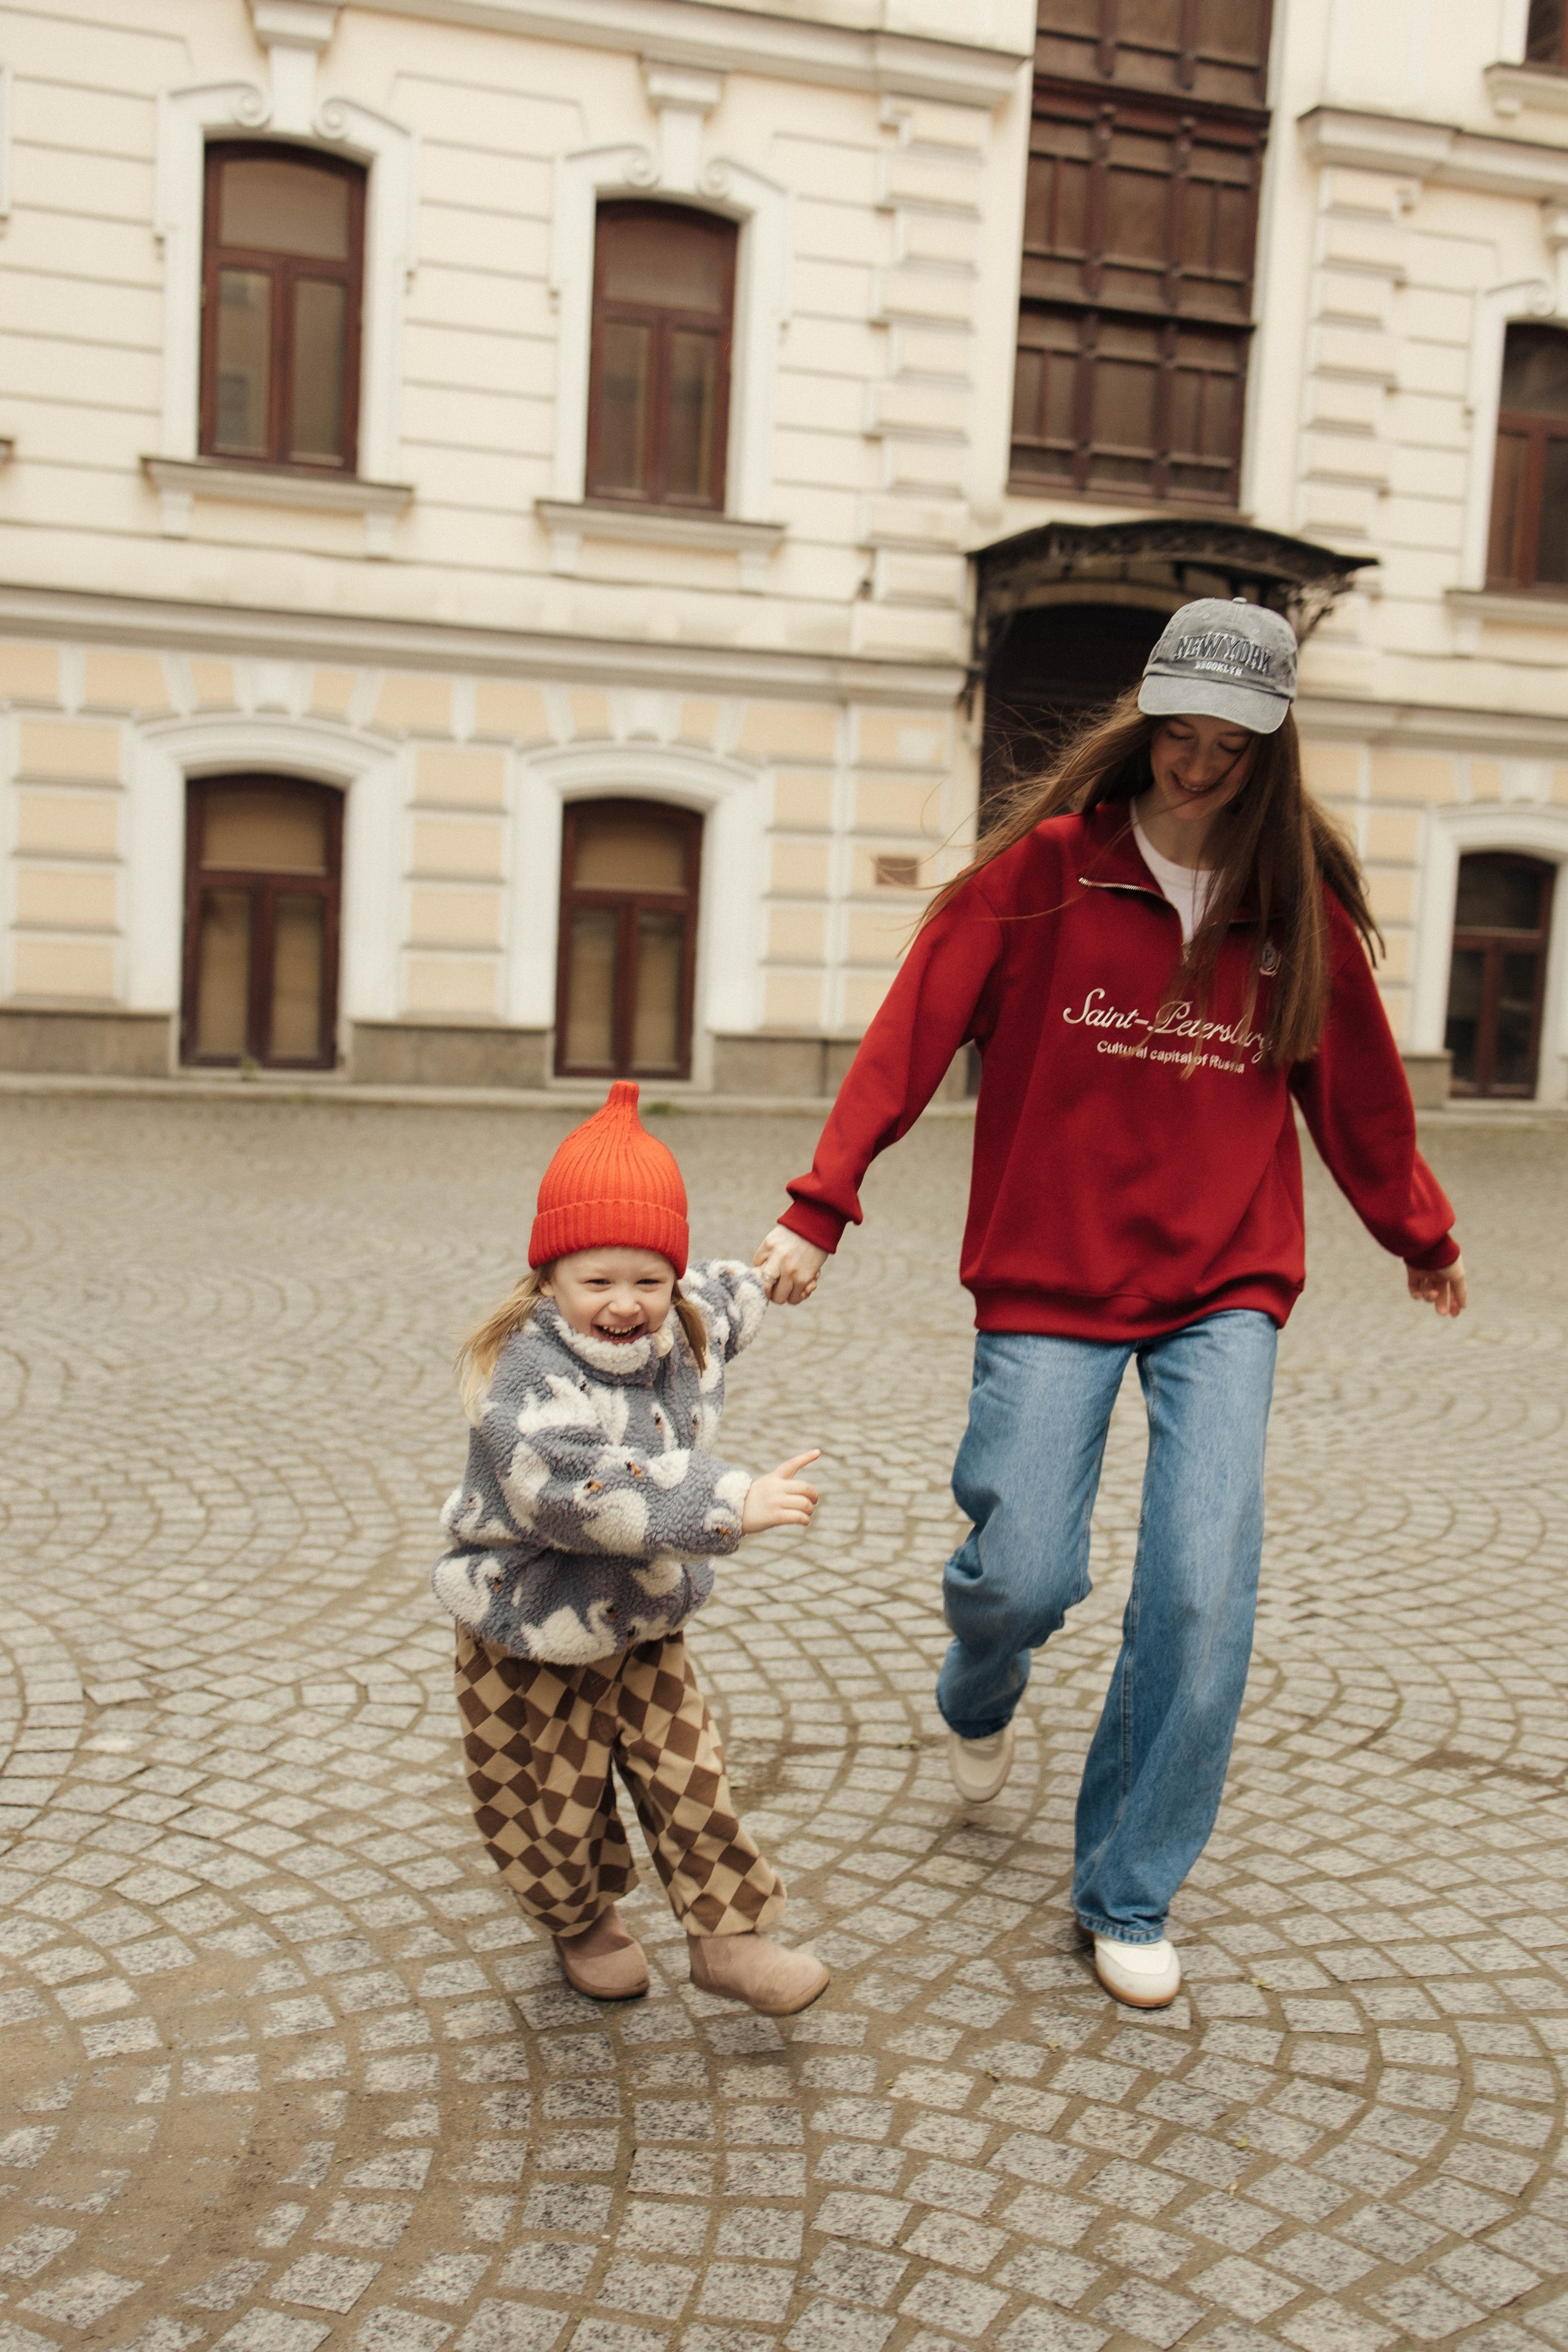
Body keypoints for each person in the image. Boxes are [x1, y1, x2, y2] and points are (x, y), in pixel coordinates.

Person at [753, 598, 1466, 2011]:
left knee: (1200, 1586)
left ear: (1271, 754)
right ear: (1143, 722)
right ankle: (981, 1677)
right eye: (1176, 738)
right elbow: (907, 1036)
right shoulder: (1041, 876)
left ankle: (1124, 1889)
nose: (1192, 770)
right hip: (1050, 1265)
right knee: (1019, 1570)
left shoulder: (1295, 917)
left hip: (1222, 1285)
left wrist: (1416, 1231)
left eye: (1227, 749)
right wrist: (815, 1205)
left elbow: (1358, 1094)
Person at [434, 1080, 829, 2018]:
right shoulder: (527, 1379)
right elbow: (583, 1492)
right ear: (548, 1279)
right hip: (529, 1633)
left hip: (645, 1620)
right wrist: (731, 1498)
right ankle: (581, 1918)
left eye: (647, 1281)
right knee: (548, 1804)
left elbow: (722, 1301)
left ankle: (728, 1937)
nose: (625, 1305)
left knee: (690, 1772)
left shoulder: (677, 1325)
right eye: (597, 1282)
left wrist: (776, 1265)